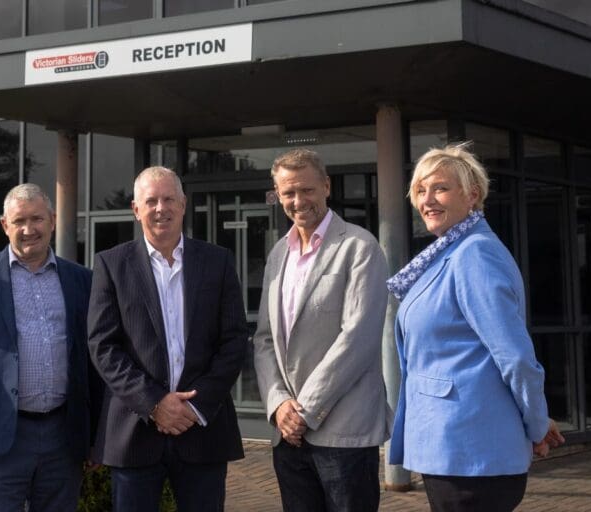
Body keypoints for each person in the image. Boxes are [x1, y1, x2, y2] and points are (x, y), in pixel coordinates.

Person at [387, 143, 564, 512]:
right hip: (453, 450)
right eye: (420, 190)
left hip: (471, 453)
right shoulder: (449, 253)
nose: (427, 200)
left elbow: (515, 357)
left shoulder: (474, 254)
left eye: (440, 188)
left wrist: (536, 424)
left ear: (472, 195)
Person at [88, 166, 248, 511]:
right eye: (151, 201)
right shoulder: (111, 265)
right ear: (136, 209)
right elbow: (103, 346)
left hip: (203, 428)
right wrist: (155, 403)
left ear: (183, 204)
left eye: (169, 199)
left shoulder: (217, 261)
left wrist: (195, 405)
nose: (161, 208)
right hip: (135, 430)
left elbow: (234, 340)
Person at [0, 183, 100, 511]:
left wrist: (95, 435)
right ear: (4, 225)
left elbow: (92, 360)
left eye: (37, 219)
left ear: (53, 220)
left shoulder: (81, 279)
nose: (28, 229)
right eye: (19, 221)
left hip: (63, 436)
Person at [251, 148, 391, 511]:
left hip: (344, 433)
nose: (298, 201)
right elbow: (264, 339)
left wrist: (305, 410)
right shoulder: (278, 254)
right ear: (278, 195)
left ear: (326, 186)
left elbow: (357, 338)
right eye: (288, 193)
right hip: (288, 435)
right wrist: (278, 404)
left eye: (307, 190)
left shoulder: (360, 247)